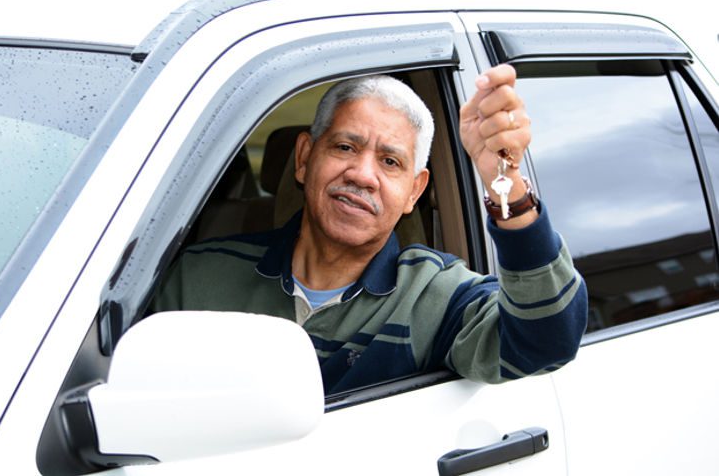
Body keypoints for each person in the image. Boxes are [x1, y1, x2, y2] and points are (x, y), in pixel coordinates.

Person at [151, 64, 588, 394]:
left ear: (414, 192)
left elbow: (545, 340)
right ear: (304, 159)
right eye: (345, 147)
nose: (362, 174)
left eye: (390, 162)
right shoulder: (199, 274)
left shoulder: (433, 294)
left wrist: (507, 183)